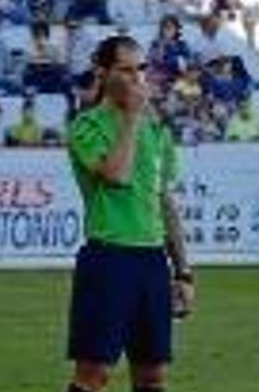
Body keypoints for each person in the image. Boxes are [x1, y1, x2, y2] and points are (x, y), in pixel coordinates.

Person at [64, 35, 194, 392]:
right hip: (109, 257)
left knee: (153, 376)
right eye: (126, 70)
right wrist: (133, 118)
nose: (138, 79)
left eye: (141, 69)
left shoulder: (158, 130)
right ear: (103, 73)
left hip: (152, 260)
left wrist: (183, 272)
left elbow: (164, 200)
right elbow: (117, 175)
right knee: (94, 374)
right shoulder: (86, 126)